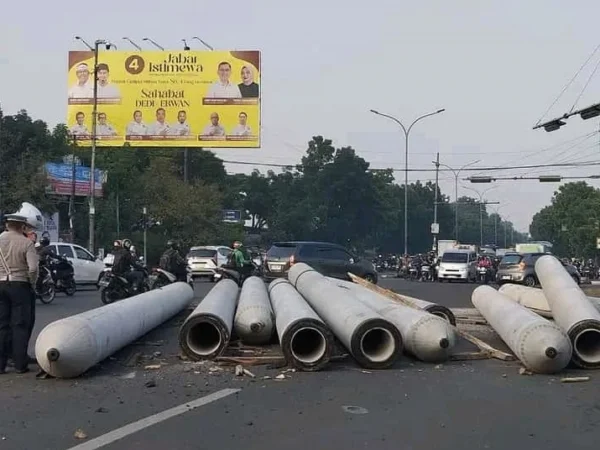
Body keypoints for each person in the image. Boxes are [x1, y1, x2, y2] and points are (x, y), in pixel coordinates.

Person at [0, 209, 40, 374]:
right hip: (20, 285)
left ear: (7, 225)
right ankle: (19, 364)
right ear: (21, 226)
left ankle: (1, 365)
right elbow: (33, 268)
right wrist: (32, 283)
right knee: (20, 325)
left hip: (0, 284)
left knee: (2, 325)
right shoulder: (26, 243)